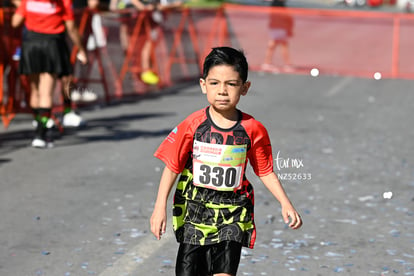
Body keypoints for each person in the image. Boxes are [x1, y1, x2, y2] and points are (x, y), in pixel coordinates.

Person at [150, 46, 302, 276]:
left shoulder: (253, 129)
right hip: (195, 216)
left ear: (245, 88)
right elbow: (172, 166)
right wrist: (159, 207)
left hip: (233, 215)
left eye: (231, 84)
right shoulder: (193, 125)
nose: (222, 91)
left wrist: (285, 202)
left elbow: (264, 170)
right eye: (214, 83)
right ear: (203, 85)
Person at [12, 0, 87, 148]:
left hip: (31, 45)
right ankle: (40, 134)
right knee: (46, 93)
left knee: (35, 91)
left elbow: (15, 22)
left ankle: (39, 122)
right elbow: (71, 27)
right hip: (51, 45)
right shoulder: (63, 2)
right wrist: (80, 48)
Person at [109, 0, 181, 85]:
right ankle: (140, 71)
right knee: (133, 45)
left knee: (148, 43)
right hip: (133, 16)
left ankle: (145, 70)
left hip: (146, 17)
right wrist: (142, 7)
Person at [262, 0, 294, 73]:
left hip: (280, 29)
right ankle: (267, 63)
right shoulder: (275, 10)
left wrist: (289, 29)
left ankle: (287, 64)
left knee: (282, 46)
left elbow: (288, 19)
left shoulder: (281, 10)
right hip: (276, 28)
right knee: (274, 45)